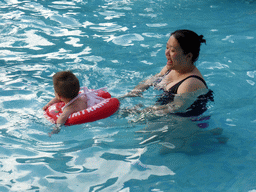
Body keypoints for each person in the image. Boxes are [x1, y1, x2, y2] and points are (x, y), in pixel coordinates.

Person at [120, 29, 213, 117]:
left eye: (172, 50)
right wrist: (126, 96)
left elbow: (176, 107)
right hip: (164, 113)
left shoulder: (190, 83)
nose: (166, 53)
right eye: (167, 47)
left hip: (185, 122)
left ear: (188, 56)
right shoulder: (171, 68)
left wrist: (140, 112)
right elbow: (150, 81)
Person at [43, 71, 105, 135]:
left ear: (58, 95)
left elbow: (62, 117)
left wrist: (55, 130)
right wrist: (49, 104)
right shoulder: (83, 97)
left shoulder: (70, 108)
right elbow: (57, 98)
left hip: (84, 126)